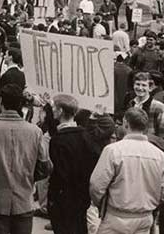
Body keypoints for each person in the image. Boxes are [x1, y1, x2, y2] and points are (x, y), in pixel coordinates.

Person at [0, 84, 49, 234]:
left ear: (1, 102)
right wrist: (29, 179)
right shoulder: (36, 132)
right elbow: (45, 167)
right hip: (24, 200)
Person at [89, 108, 164, 234]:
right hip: (144, 218)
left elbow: (96, 185)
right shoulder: (160, 156)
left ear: (125, 123)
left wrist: (100, 204)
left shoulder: (112, 150)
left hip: (117, 216)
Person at [48, 94, 101, 234]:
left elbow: (58, 172)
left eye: (53, 107)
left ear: (59, 111)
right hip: (82, 196)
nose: (51, 110)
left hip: (64, 198)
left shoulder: (58, 141)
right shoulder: (86, 137)